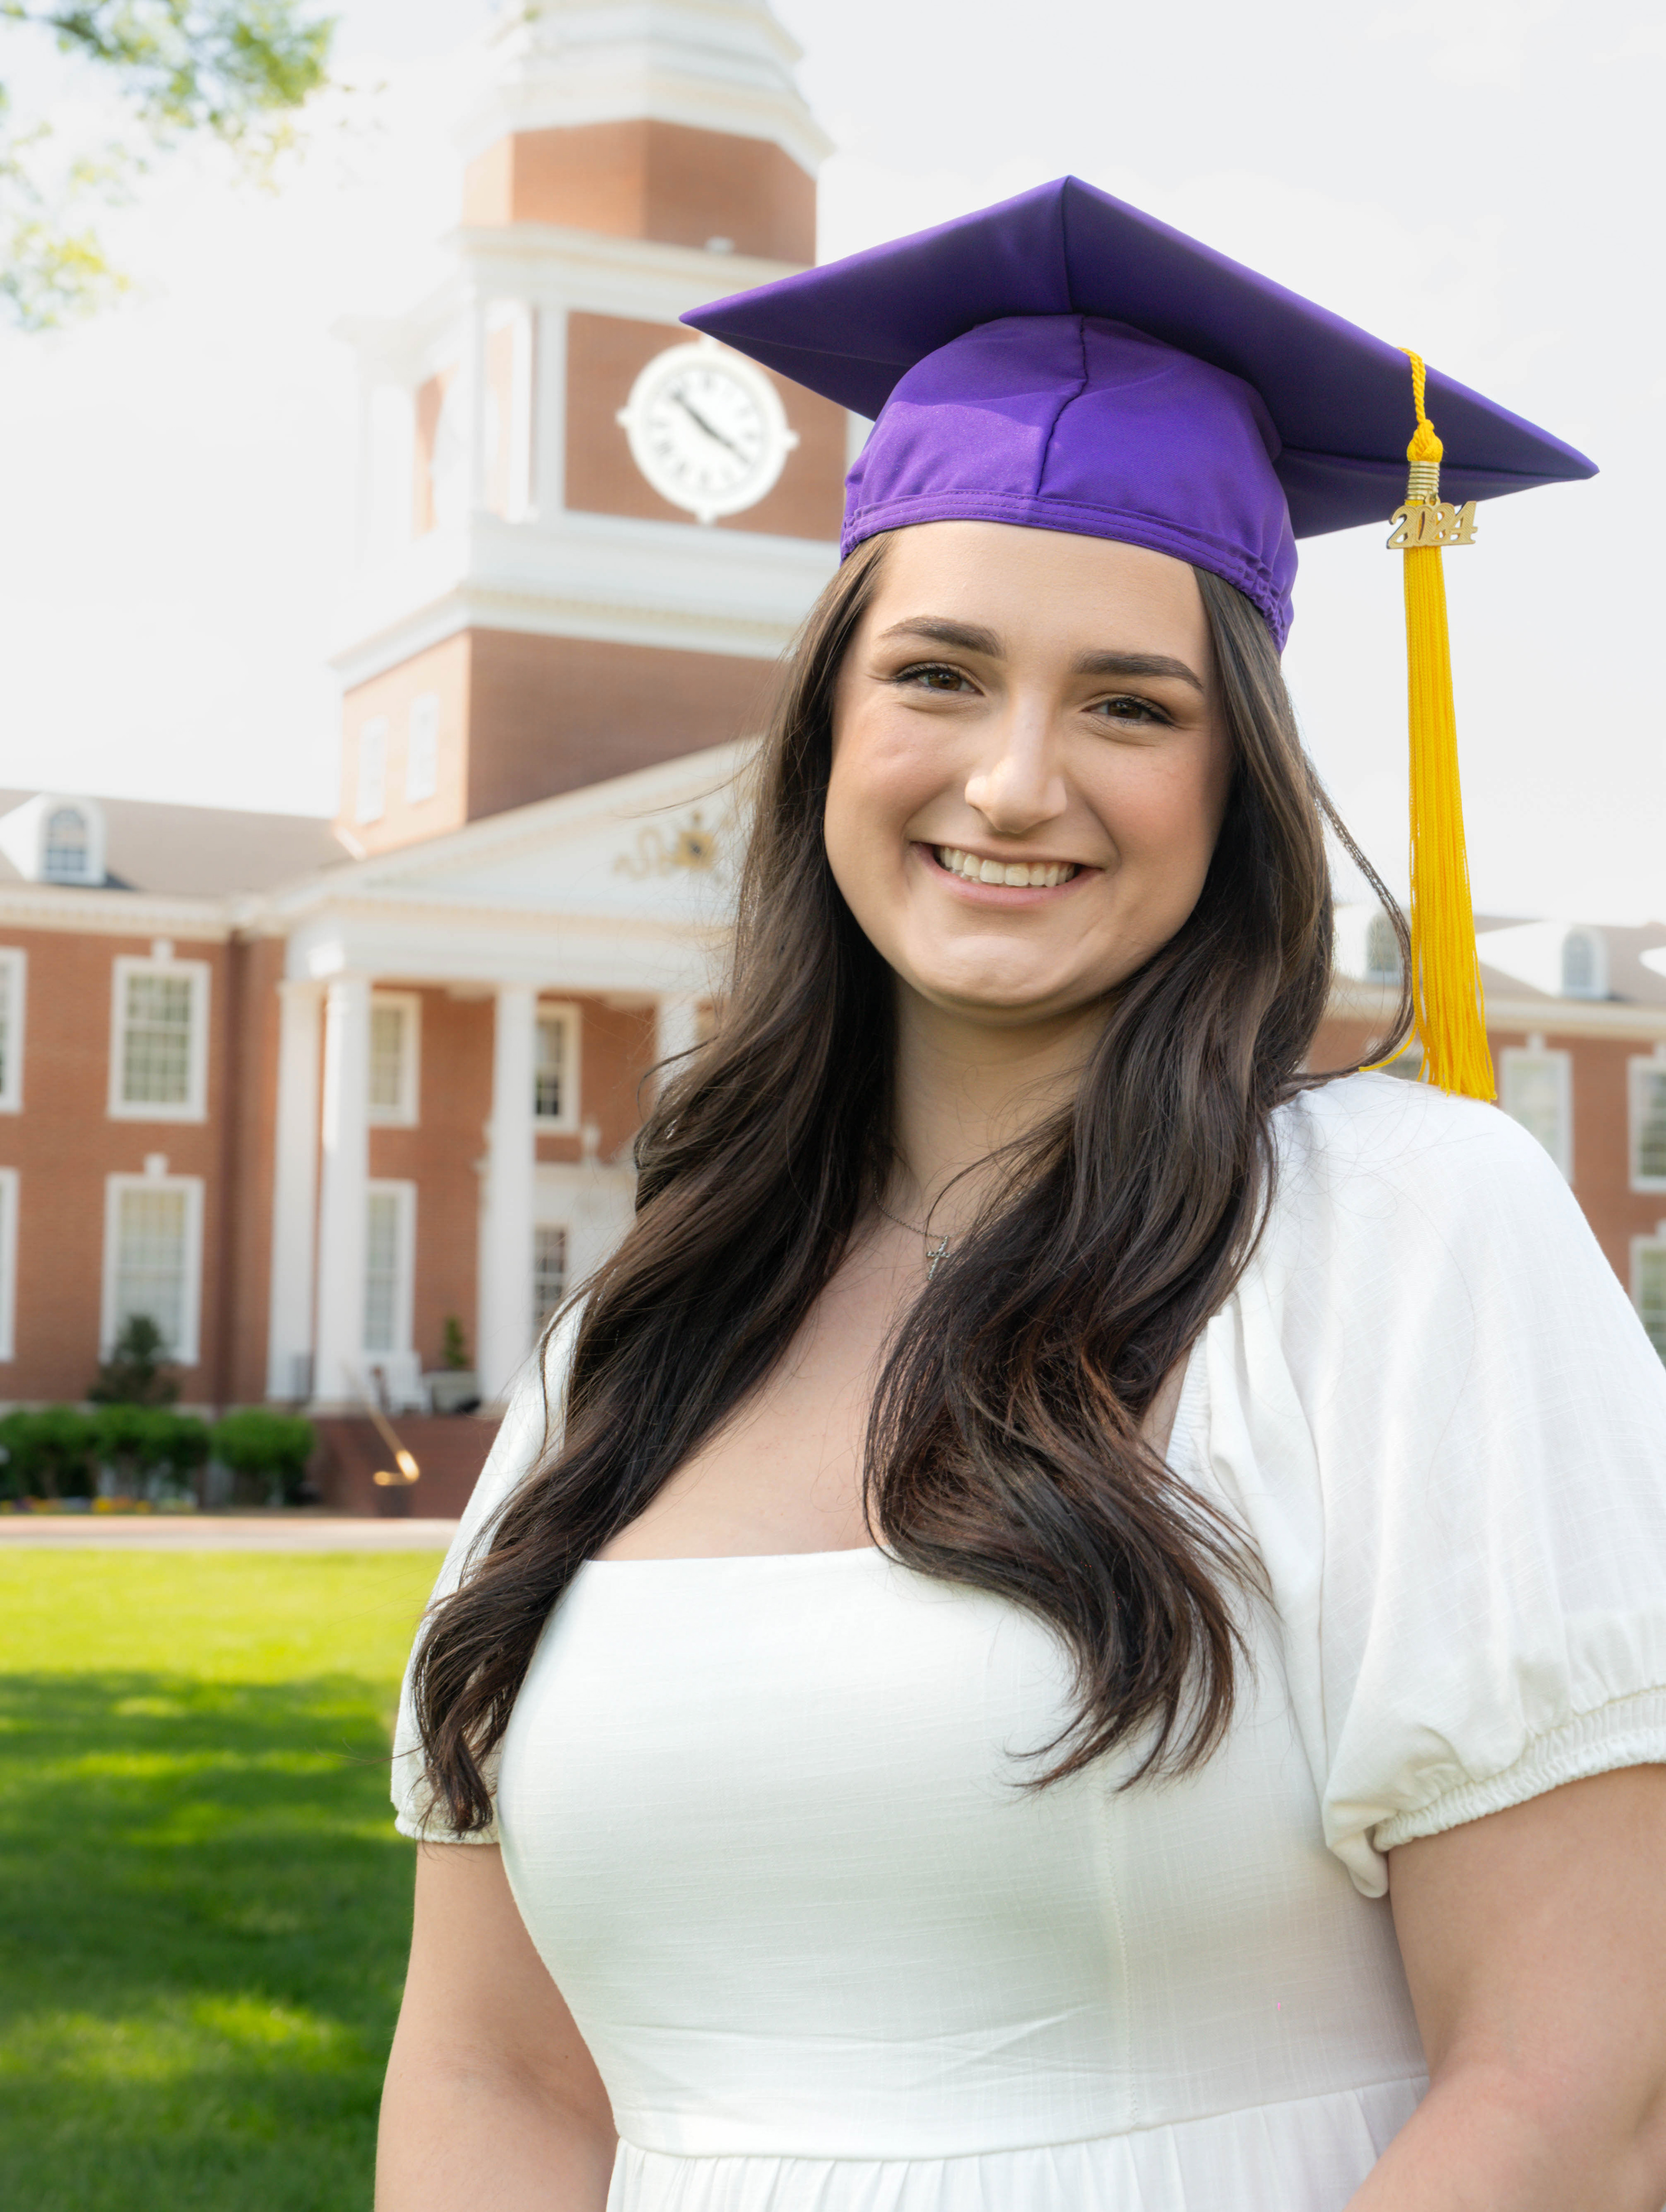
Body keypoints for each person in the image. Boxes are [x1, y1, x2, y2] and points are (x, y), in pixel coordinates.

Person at [377, 180, 1666, 2212]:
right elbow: (495, 2084)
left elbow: (1585, 2091)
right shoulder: (644, 1326)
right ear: (829, 726)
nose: (1013, 783)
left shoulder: (1406, 1236)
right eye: (943, 675)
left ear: (1234, 777)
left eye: (1132, 704)